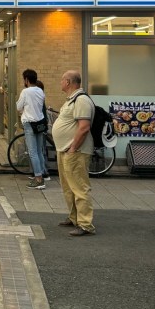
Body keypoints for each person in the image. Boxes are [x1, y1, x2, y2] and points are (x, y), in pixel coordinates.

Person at [51, 70, 96, 236]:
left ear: (68, 82)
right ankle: (74, 217)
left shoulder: (81, 100)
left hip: (76, 151)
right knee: (68, 187)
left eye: (62, 80)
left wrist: (72, 148)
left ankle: (85, 224)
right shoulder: (71, 100)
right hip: (65, 150)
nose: (60, 83)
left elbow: (84, 127)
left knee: (79, 187)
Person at [16, 68, 47, 189]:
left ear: (26, 80)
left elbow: (18, 107)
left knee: (32, 152)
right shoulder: (40, 91)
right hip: (40, 122)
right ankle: (42, 175)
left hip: (29, 123)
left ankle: (38, 179)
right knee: (39, 151)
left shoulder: (26, 92)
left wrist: (24, 109)